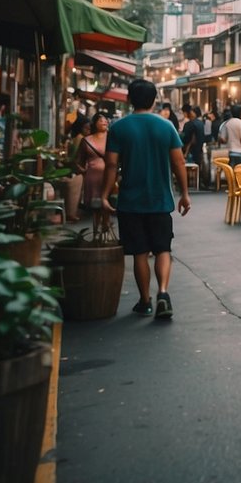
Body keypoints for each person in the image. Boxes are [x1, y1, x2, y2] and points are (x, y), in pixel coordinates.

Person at [101, 78, 190, 320]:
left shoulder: (119, 128)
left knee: (140, 252)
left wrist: (104, 195)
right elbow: (178, 162)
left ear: (129, 99)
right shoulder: (166, 127)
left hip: (131, 202)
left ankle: (145, 301)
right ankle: (163, 292)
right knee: (163, 248)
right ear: (154, 100)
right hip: (160, 200)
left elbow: (111, 165)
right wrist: (184, 193)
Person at [75, 114, 111, 227]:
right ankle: (96, 232)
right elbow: (78, 161)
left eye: (105, 119)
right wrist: (84, 171)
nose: (104, 121)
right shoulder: (86, 140)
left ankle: (106, 227)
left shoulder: (112, 138)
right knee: (95, 205)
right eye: (100, 120)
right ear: (95, 123)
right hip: (92, 177)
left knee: (107, 204)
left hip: (109, 176)